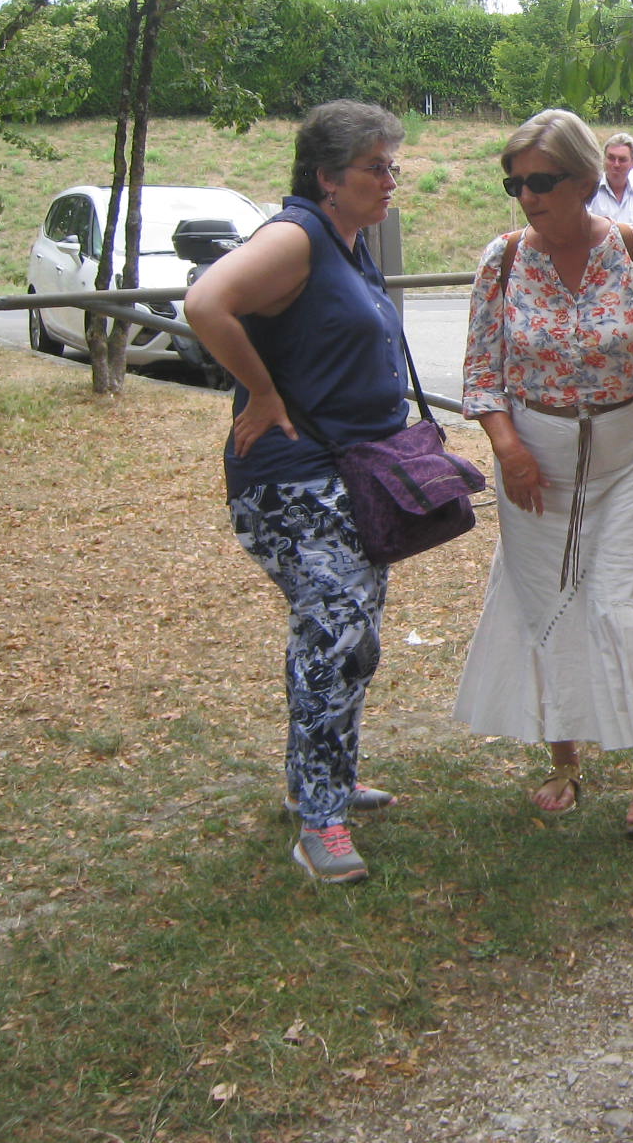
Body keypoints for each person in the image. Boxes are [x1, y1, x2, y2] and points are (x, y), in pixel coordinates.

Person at [182, 100, 414, 886]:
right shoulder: (296, 236)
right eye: (375, 167)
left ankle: (321, 778)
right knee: (337, 632)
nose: (390, 180)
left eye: (391, 165)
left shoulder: (348, 244)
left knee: (349, 637)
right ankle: (319, 822)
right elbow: (206, 303)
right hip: (291, 479)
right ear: (326, 177)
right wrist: (262, 391)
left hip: (350, 475)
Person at [453, 110, 633, 834]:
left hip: (626, 452)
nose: (527, 196)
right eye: (515, 184)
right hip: (535, 459)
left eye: (541, 181)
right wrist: (509, 449)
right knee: (547, 603)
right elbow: (481, 374)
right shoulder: (501, 261)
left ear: (586, 180)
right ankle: (563, 758)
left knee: (621, 603)